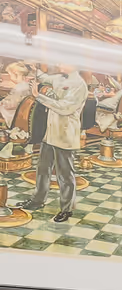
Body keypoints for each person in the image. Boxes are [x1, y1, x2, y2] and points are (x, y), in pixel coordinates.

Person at [29, 64, 85, 221]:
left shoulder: (79, 84)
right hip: (51, 133)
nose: (59, 64)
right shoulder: (59, 78)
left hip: (64, 134)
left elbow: (65, 108)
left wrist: (38, 96)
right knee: (42, 168)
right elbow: (44, 78)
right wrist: (33, 67)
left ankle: (66, 209)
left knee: (65, 174)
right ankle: (38, 200)